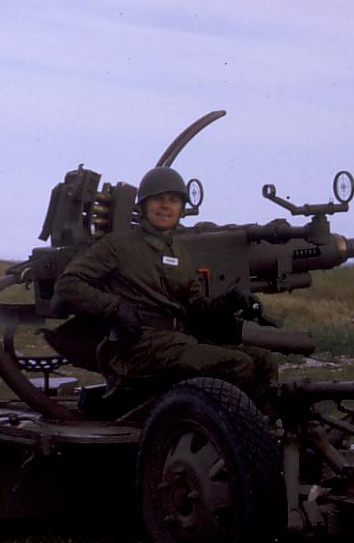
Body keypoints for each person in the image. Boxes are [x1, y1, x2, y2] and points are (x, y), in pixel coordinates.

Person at [53, 165, 275, 400]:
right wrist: (114, 307)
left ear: (181, 208)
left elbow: (198, 308)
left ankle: (257, 421)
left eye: (173, 200)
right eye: (158, 199)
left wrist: (232, 299)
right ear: (144, 205)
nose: (165, 206)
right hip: (137, 346)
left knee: (263, 361)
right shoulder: (117, 246)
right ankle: (215, 419)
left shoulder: (180, 253)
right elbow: (69, 283)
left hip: (177, 343)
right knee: (238, 364)